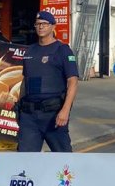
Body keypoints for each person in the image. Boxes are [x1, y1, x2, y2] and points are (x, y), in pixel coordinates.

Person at [18, 11, 79, 151]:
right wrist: (17, 106)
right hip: (29, 117)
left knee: (64, 162)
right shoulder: (29, 51)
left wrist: (65, 110)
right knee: (25, 162)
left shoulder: (63, 50)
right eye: (38, 24)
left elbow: (73, 82)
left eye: (44, 24)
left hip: (53, 115)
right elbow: (24, 81)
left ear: (53, 27)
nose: (40, 27)